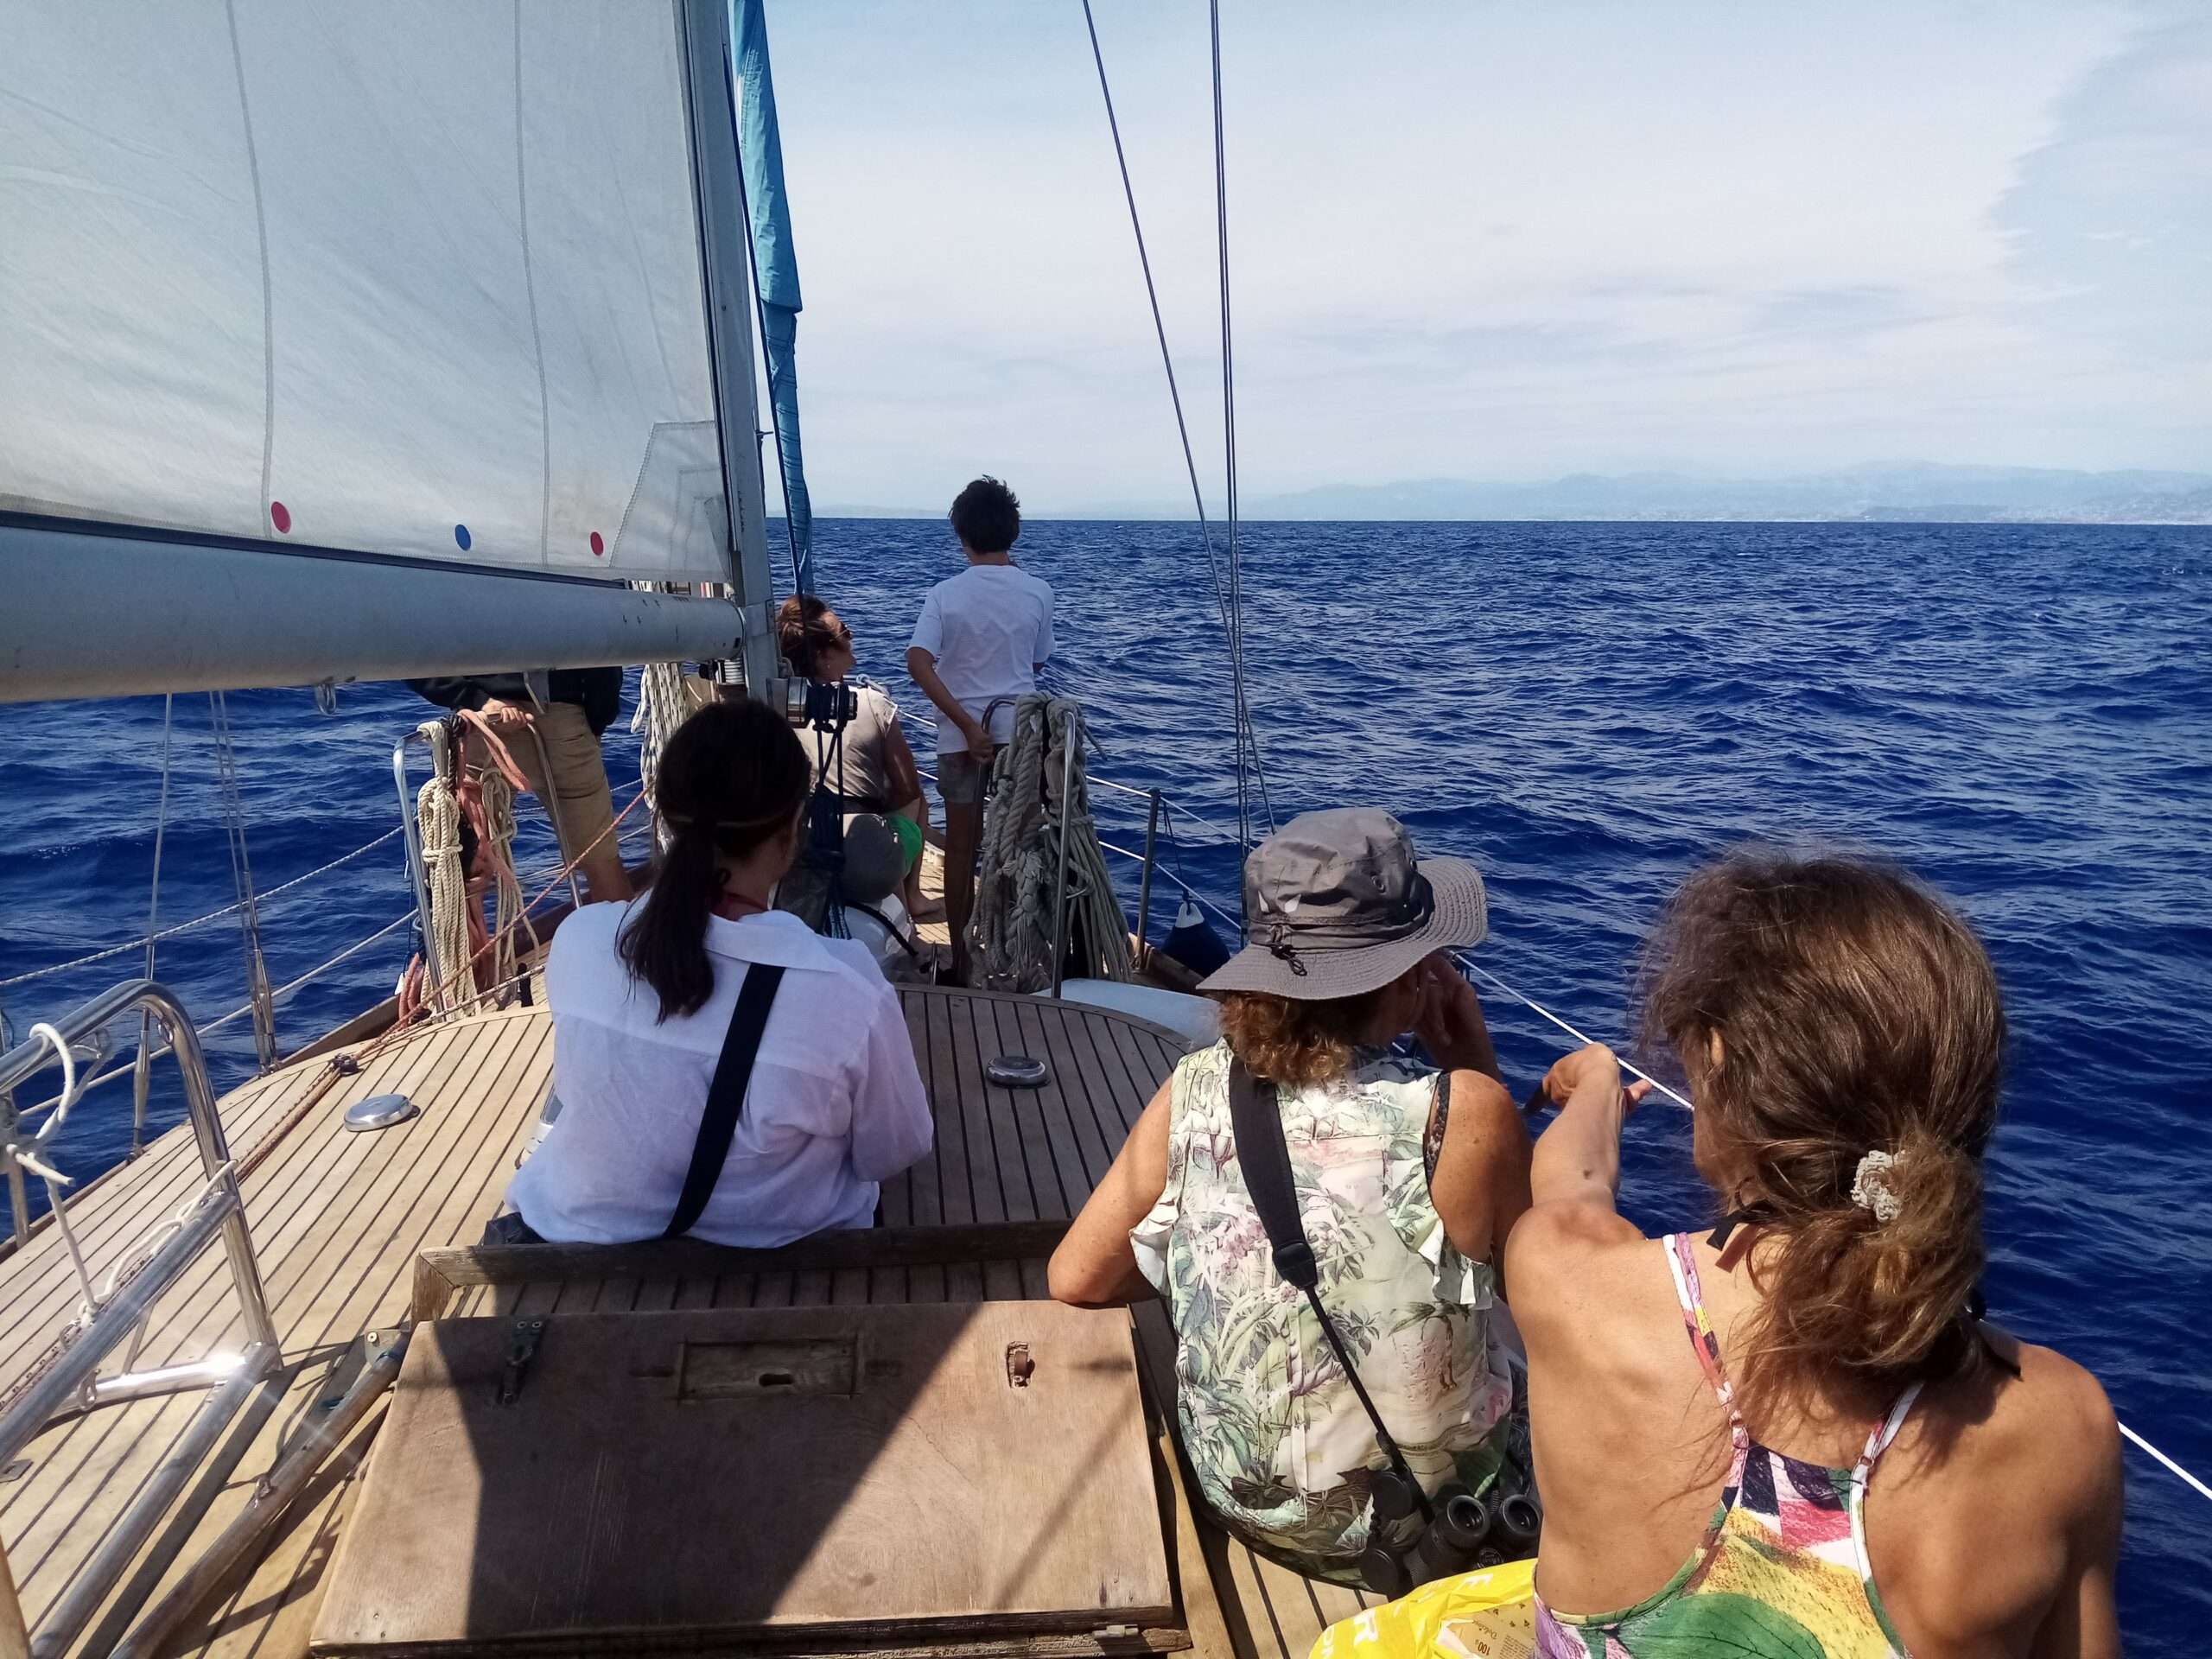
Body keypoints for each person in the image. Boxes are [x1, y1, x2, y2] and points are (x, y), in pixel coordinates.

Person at [1508, 852, 2121, 1659]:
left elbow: (1573, 1184)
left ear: (1716, 1064)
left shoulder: (1571, 1287)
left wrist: (1592, 1085)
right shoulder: (2061, 1428)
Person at [1048, 809, 1533, 1583]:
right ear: (1406, 975)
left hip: (1243, 1501)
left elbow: (1075, 1277)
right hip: (1413, 1529)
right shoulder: (1461, 1113)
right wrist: (1474, 1061)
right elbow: (1544, 1292)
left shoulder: (1195, 1088)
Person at [495, 699, 932, 1248]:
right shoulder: (847, 987)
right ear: (793, 829)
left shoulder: (581, 941)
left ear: (666, 814)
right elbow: (894, 1149)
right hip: (785, 1258)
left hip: (577, 1235)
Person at [906, 477, 1052, 983]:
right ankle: (1014, 957)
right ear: (1012, 531)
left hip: (959, 739)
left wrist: (967, 725)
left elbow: (919, 661)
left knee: (962, 849)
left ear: (961, 536)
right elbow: (1036, 662)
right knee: (1015, 848)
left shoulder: (944, 595)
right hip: (1019, 738)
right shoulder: (1039, 592)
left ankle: (963, 963)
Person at [408, 667, 633, 904]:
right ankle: (621, 939)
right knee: (601, 862)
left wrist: (474, 698)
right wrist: (597, 721)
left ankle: (464, 940)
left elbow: (406, 651)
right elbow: (602, 658)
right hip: (563, 724)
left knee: (464, 869)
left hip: (482, 724)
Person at [776, 594, 934, 920]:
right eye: (845, 632)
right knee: (918, 802)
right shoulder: (872, 704)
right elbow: (909, 788)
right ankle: (910, 901)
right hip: (864, 868)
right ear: (823, 656)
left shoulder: (775, 706)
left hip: (797, 853)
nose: (852, 637)